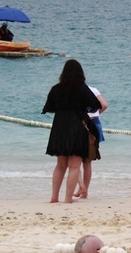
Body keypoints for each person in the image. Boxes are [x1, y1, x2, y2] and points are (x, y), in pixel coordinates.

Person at [42, 59, 100, 204]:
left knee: (60, 165)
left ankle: (54, 197)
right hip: (78, 125)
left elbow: (49, 107)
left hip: (60, 126)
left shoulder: (56, 88)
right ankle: (68, 199)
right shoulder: (82, 88)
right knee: (74, 165)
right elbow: (95, 105)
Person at [74, 86, 109, 200]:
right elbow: (104, 105)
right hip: (95, 124)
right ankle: (85, 192)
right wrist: (96, 114)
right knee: (88, 161)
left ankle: (81, 186)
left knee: (75, 159)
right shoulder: (93, 89)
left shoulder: (74, 90)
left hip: (81, 124)